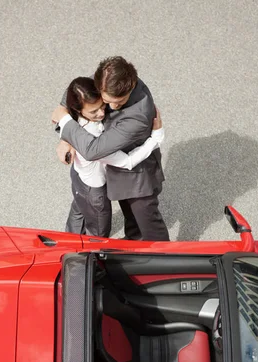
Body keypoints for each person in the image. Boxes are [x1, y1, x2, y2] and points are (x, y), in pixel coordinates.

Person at [52, 56, 170, 241]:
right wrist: (66, 139)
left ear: (131, 86)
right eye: (106, 101)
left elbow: (93, 150)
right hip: (101, 169)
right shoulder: (107, 80)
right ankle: (71, 245)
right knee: (83, 204)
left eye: (120, 102)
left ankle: (165, 263)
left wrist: (65, 121)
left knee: (146, 229)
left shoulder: (137, 116)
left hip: (135, 178)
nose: (110, 108)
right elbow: (77, 93)